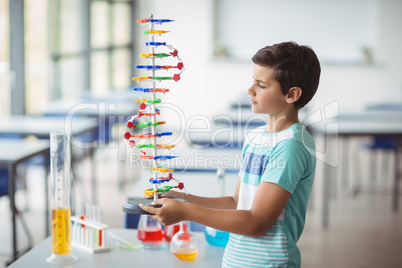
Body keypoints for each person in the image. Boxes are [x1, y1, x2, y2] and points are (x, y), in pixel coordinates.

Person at [140, 41, 321, 267]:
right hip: (236, 260)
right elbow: (237, 203)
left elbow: (257, 222)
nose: (250, 90)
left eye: (262, 85)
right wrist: (183, 198)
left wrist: (186, 211)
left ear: (292, 94)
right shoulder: (256, 137)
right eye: (252, 81)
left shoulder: (291, 146)